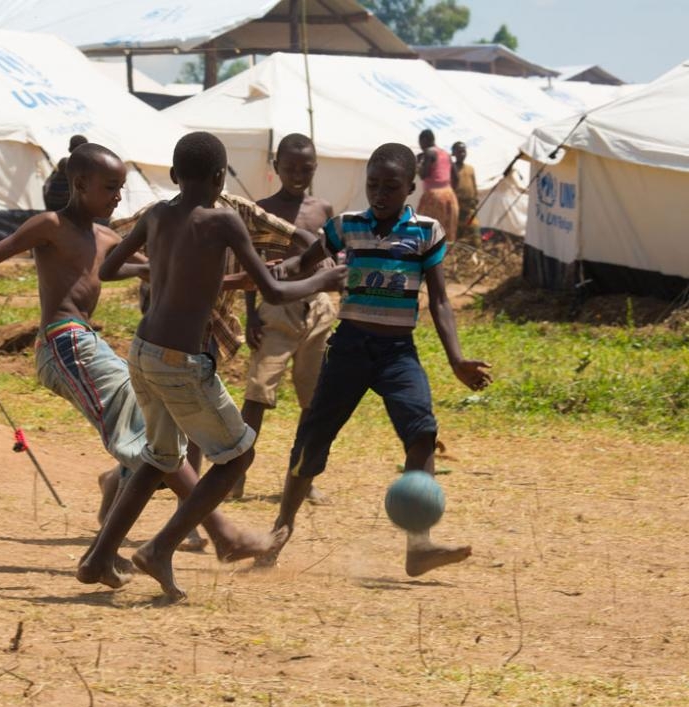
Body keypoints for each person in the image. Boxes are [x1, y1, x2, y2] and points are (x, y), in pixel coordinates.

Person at [0, 142, 278, 570]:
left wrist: (241, 281)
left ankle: (115, 509)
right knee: (147, 436)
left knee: (154, 433)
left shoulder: (107, 237)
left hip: (87, 342)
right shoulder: (49, 225)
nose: (117, 197)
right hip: (64, 342)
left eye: (121, 188)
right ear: (79, 183)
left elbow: (167, 271)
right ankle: (220, 532)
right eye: (109, 187)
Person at [76, 132, 346, 600]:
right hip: (182, 361)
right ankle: (160, 547)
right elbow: (274, 292)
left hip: (143, 352)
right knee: (238, 456)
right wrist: (327, 277)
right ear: (221, 178)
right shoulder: (224, 221)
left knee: (159, 458)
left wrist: (157, 270)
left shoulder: (158, 214)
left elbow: (106, 268)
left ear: (176, 176)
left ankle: (99, 556)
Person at [255, 142, 492, 576]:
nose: (380, 193)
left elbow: (438, 301)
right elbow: (304, 266)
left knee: (421, 434)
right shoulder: (344, 226)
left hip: (397, 353)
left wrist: (456, 360)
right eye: (373, 184)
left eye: (391, 186)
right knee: (312, 438)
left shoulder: (426, 232)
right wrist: (278, 271)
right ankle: (280, 530)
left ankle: (418, 547)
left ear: (410, 187)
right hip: (349, 348)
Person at [235, 133, 337, 502]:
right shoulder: (261, 209)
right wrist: (250, 315)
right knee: (258, 394)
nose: (298, 174)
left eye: (305, 168)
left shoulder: (322, 208)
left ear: (314, 168)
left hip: (318, 308)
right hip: (276, 310)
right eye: (290, 168)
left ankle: (303, 477)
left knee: (314, 401)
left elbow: (335, 252)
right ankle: (235, 475)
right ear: (276, 167)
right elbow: (249, 264)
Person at [417, 129, 459, 246]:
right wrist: (448, 190)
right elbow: (456, 177)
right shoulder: (446, 153)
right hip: (449, 194)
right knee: (447, 231)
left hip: (434, 196)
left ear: (424, 140)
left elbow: (423, 174)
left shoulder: (429, 152)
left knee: (428, 231)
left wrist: (419, 165)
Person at [42, 134, 89, 211]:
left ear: (70, 149)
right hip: (64, 207)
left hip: (51, 204)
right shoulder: (79, 166)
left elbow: (45, 186)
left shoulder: (63, 162)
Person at [451, 141, 482, 249]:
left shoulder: (470, 168)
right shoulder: (451, 169)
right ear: (453, 154)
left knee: (475, 233)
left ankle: (477, 254)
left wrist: (475, 198)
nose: (462, 154)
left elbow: (474, 185)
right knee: (458, 235)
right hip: (457, 207)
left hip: (470, 207)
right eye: (459, 152)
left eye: (464, 151)